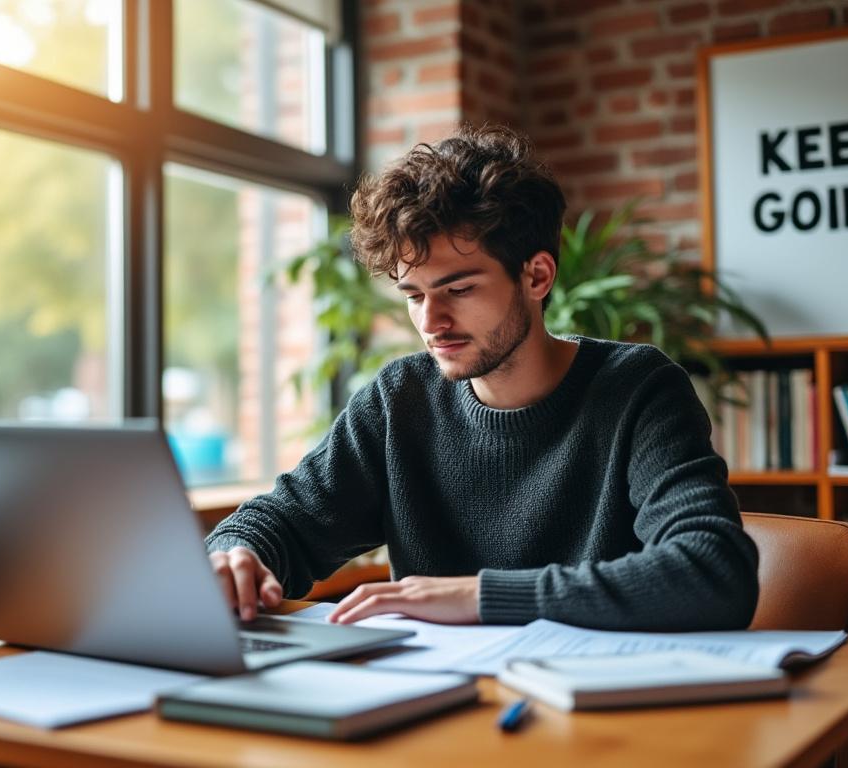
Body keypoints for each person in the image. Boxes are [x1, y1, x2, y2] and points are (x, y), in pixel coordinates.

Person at [205, 124, 758, 630]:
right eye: (413, 295)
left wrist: (481, 597)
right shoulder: (401, 399)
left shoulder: (638, 389)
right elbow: (283, 522)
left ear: (537, 275)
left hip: (593, 720)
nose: (430, 322)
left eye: (459, 289)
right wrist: (237, 554)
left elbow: (713, 571)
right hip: (439, 709)